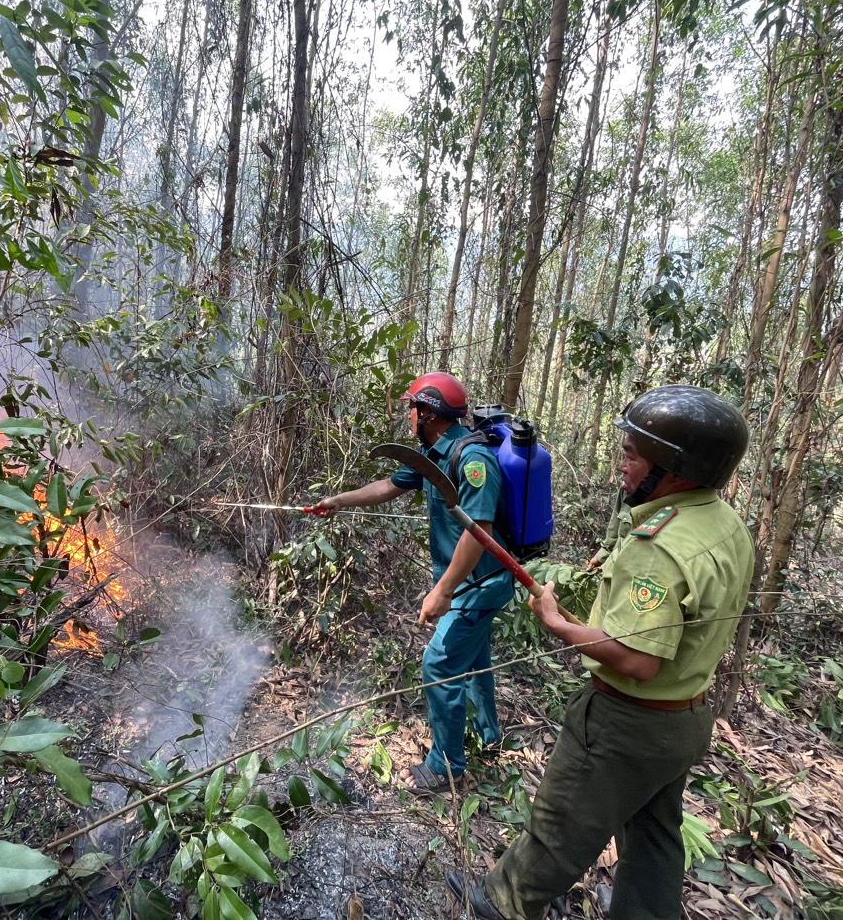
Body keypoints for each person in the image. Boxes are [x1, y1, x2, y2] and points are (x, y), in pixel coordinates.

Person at [446, 384, 755, 920]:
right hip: (683, 720)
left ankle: (502, 903)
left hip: (627, 723)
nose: (622, 465)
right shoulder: (724, 524)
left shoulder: (658, 548)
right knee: (655, 836)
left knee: (559, 823)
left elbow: (638, 659)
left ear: (674, 468)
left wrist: (558, 623)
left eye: (633, 455)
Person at [314, 371, 514, 795]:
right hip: (470, 585)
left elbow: (478, 530)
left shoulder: (473, 460)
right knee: (474, 657)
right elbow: (389, 484)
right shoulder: (431, 454)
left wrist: (442, 591)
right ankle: (489, 732)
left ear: (427, 412)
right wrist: (338, 500)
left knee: (440, 664)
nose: (409, 415)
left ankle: (447, 766)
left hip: (478, 585)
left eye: (412, 407)